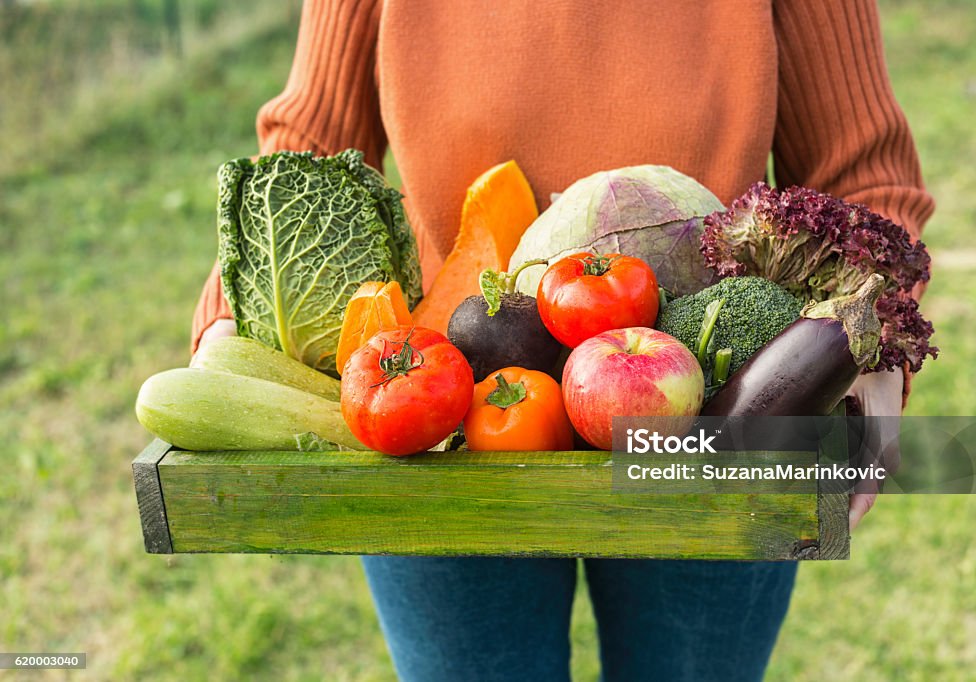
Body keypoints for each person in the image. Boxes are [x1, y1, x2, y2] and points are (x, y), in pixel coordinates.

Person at [192, 1, 933, 679]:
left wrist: (870, 342)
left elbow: (861, 172)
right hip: (441, 410)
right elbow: (310, 147)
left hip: (718, 417)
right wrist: (242, 307)